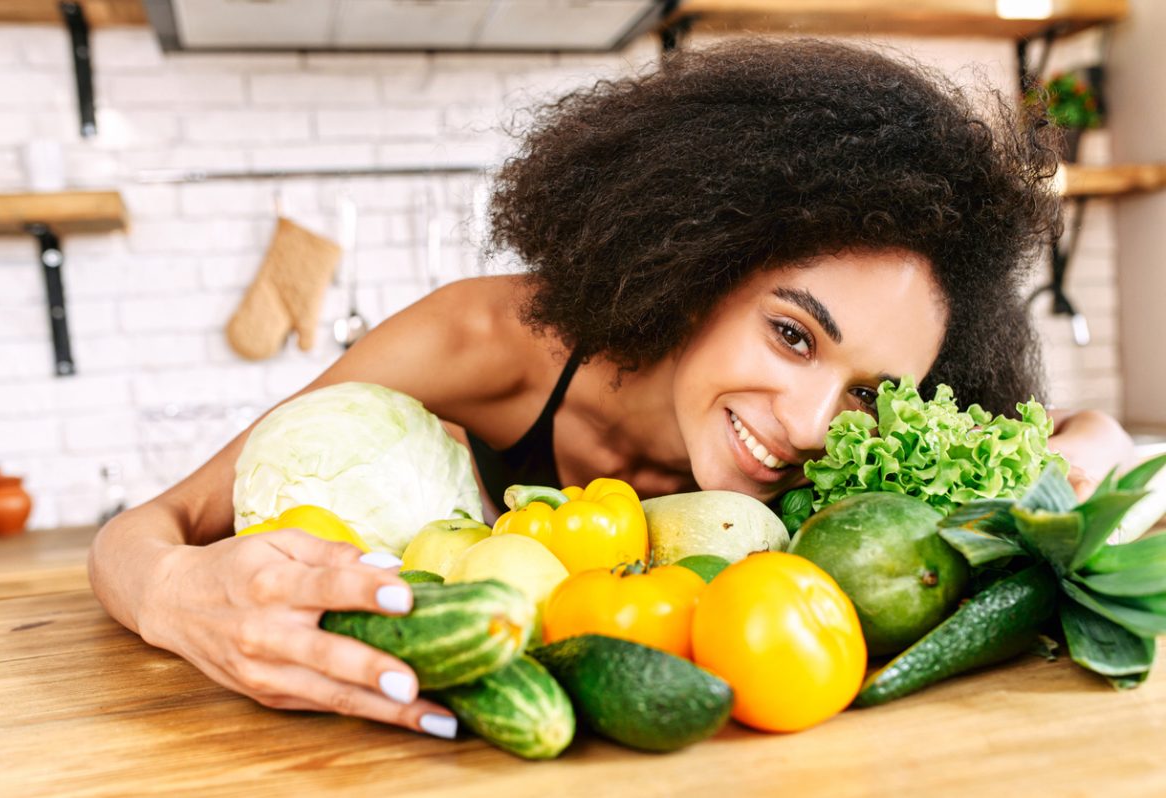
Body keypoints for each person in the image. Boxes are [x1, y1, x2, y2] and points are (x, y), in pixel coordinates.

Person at [89, 39, 1134, 739]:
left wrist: (1055, 480)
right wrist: (178, 599)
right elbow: (151, 526)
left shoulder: (865, 438)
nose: (813, 425)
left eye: (868, 393)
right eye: (790, 334)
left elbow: (1096, 432)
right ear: (700, 258)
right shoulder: (487, 339)